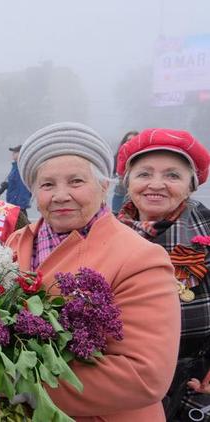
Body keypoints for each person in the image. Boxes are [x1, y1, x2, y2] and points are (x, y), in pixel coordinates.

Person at [3, 122, 180, 421]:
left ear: (104, 186)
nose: (60, 195)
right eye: (47, 185)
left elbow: (145, 374)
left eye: (76, 182)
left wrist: (35, 387)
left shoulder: (141, 258)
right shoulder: (15, 243)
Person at [114, 128, 210, 421]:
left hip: (192, 382)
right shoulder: (107, 232)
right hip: (120, 383)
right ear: (127, 183)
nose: (156, 185)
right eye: (144, 174)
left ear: (190, 185)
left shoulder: (205, 228)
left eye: (172, 175)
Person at [0, 145, 32, 216]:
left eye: (15, 152)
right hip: (14, 204)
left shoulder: (21, 168)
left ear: (22, 154)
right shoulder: (15, 167)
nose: (13, 153)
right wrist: (6, 185)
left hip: (17, 205)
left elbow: (23, 187)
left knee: (20, 225)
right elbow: (14, 182)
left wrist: (19, 204)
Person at [111, 130, 138, 212]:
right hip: (120, 192)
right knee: (115, 214)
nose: (130, 142)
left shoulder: (141, 158)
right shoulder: (117, 156)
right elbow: (112, 175)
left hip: (135, 192)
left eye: (134, 140)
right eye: (128, 140)